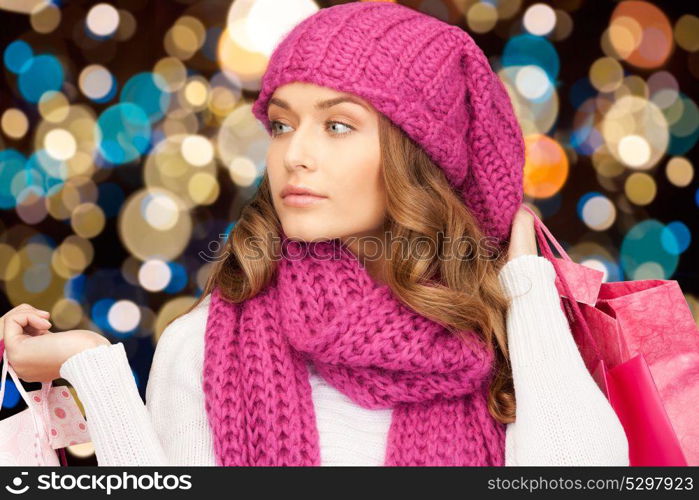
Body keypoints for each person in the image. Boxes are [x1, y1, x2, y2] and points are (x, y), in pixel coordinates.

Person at [0, 2, 629, 466]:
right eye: (280, 125)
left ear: (422, 155)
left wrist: (523, 276)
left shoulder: (506, 340)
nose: (293, 156)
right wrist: (93, 369)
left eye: (336, 126)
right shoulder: (205, 342)